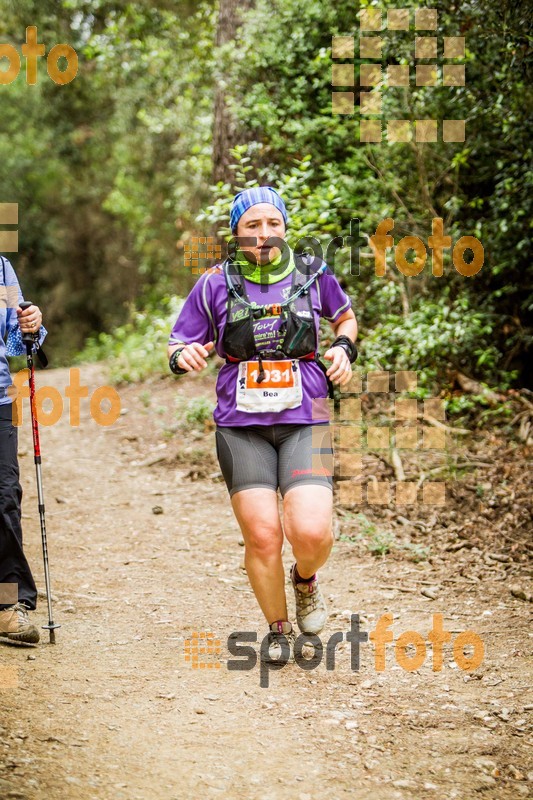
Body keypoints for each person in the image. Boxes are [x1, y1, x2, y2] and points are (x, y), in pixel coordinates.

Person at [168, 186, 357, 660]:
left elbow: (345, 319)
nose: (264, 233)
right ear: (236, 233)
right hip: (240, 426)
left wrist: (344, 348)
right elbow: (178, 343)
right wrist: (183, 355)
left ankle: (305, 579)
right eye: (252, 225)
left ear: (285, 228)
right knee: (263, 534)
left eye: (272, 223)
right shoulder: (214, 282)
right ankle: (278, 627)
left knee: (312, 532)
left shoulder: (314, 275)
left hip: (304, 418)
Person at [0, 255, 45, 645]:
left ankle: (6, 606)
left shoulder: (1, 269)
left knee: (4, 497)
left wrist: (31, 323)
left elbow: (17, 337)